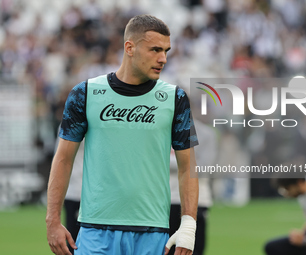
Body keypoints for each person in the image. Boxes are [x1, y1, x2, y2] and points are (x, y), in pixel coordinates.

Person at [46, 14, 199, 255]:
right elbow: (63, 159)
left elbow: (187, 166)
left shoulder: (175, 98)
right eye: (155, 50)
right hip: (96, 231)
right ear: (130, 47)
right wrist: (52, 220)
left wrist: (188, 225)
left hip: (153, 233)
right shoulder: (84, 94)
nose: (163, 59)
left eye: (166, 51)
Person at [168, 119, 218, 255]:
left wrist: (169, 162)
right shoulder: (159, 129)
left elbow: (204, 167)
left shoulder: (205, 133)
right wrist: (185, 162)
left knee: (193, 249)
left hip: (197, 199)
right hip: (165, 199)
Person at [54, 132, 84, 255]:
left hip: (84, 191)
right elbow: (60, 160)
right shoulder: (70, 123)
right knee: (73, 244)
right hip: (76, 192)